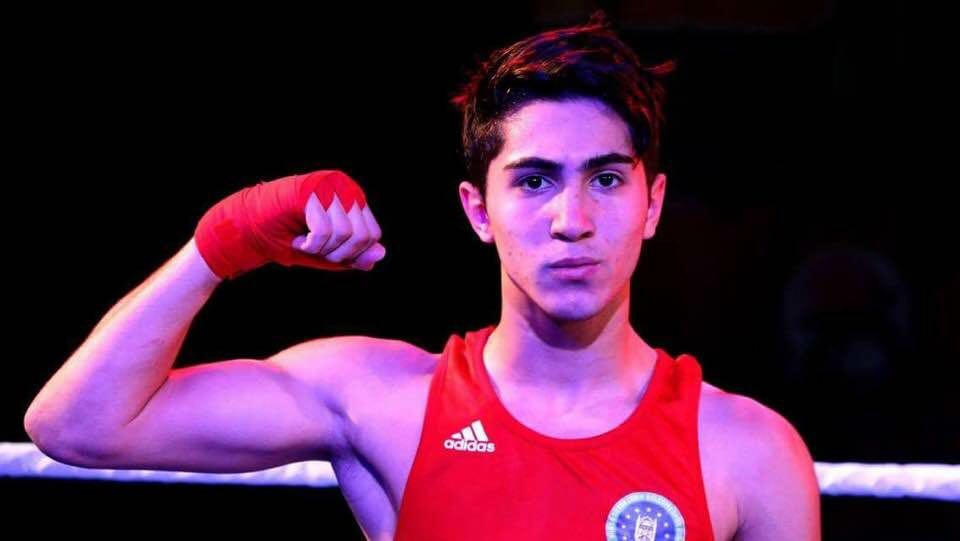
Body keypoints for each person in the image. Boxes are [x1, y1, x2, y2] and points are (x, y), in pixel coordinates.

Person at [23, 12, 820, 541]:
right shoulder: (384, 401)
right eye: (534, 180)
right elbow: (76, 425)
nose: (572, 218)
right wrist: (224, 241)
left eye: (607, 179)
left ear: (653, 204)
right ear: (478, 210)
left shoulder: (748, 451)